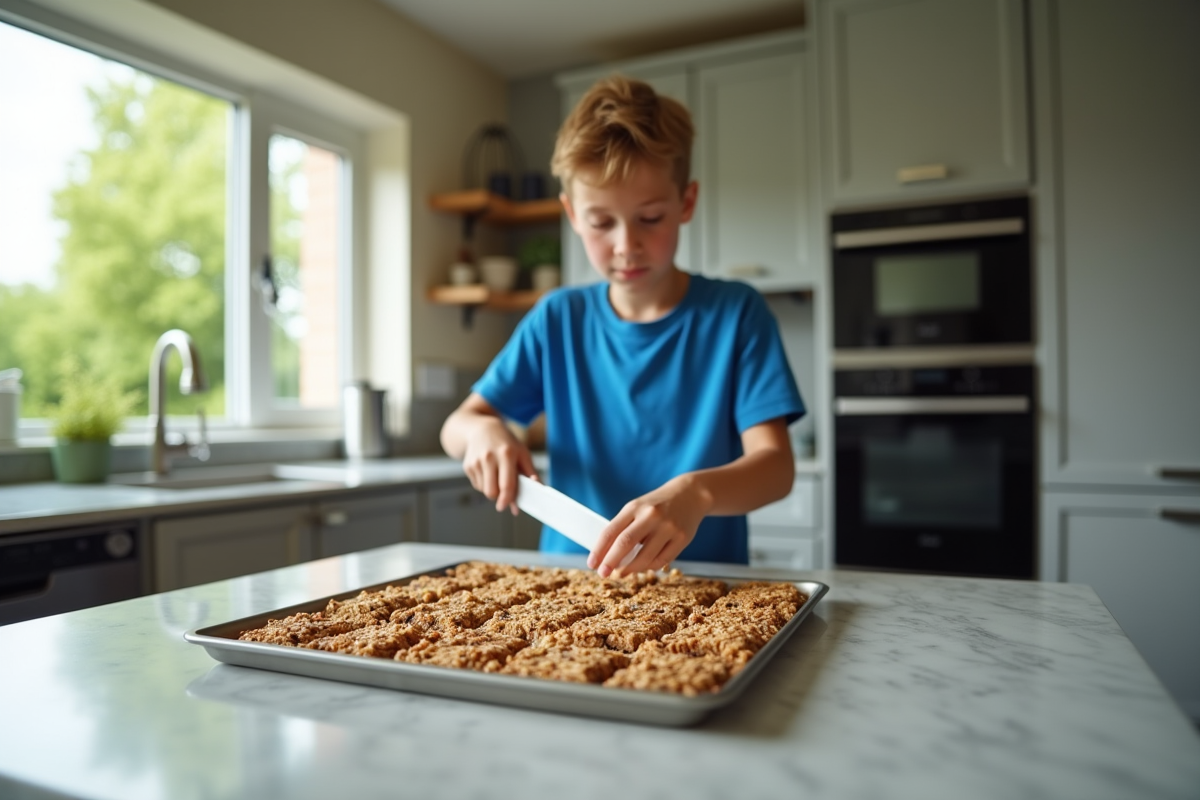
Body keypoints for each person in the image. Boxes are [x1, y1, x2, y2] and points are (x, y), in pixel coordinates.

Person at [440, 75, 804, 577]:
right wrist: (483, 432)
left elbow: (776, 468)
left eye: (649, 218)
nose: (626, 245)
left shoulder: (736, 313)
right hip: (572, 582)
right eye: (601, 222)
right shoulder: (557, 318)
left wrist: (695, 492)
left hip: (704, 585)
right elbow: (456, 427)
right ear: (572, 214)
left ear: (686, 203)